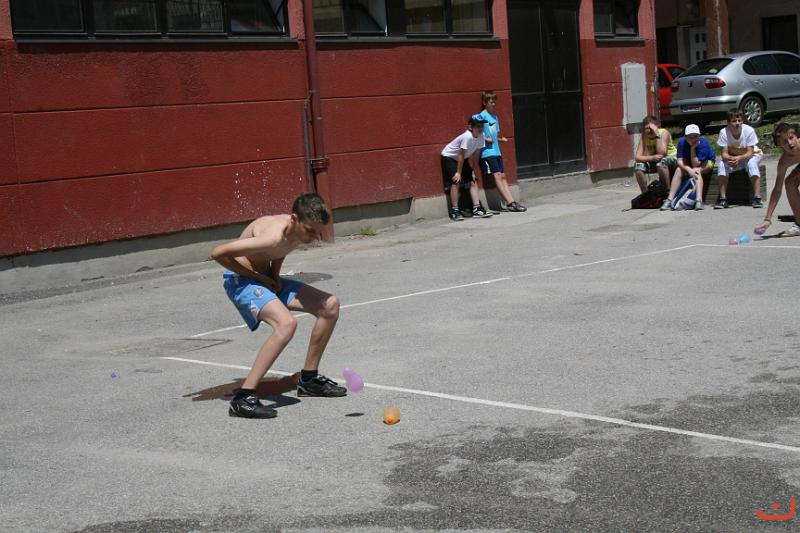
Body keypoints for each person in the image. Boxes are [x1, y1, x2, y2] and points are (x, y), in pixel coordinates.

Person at [210, 192, 346, 419]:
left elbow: (282, 250)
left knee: (330, 305)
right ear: (294, 219)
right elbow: (218, 253)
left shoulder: (297, 232)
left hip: (265, 278)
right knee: (286, 324)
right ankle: (243, 398)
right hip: (240, 280)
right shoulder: (271, 236)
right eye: (309, 231)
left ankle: (309, 380)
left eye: (317, 232)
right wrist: (257, 276)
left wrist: (274, 274)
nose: (312, 237)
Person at [476, 91, 526, 212]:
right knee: (497, 175)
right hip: (487, 152)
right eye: (491, 102)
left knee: (503, 176)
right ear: (485, 103)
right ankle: (510, 203)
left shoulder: (495, 118)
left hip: (497, 151)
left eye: (494, 102)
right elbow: (475, 131)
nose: (493, 104)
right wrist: (484, 138)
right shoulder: (481, 116)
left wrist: (500, 139)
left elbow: (495, 135)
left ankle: (512, 201)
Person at [441, 116, 493, 221]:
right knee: (456, 181)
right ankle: (455, 211)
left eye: (482, 126)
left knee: (473, 180)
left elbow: (476, 154)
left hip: (462, 158)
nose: (480, 128)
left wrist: (472, 170)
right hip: (449, 157)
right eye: (478, 126)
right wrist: (458, 173)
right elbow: (460, 155)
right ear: (470, 127)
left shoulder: (481, 136)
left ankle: (477, 209)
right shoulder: (467, 137)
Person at [755, 122, 800, 237]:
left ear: (797, 136)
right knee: (789, 182)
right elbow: (777, 190)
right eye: (785, 141)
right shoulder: (784, 161)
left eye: (791, 138)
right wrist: (767, 219)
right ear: (780, 145)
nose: (789, 143)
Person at [715, 109, 764, 209]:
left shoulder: (749, 130)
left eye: (739, 120)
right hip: (734, 156)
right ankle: (723, 199)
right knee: (722, 165)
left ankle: (757, 198)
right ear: (728, 123)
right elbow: (724, 154)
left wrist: (738, 158)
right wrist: (732, 159)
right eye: (734, 121)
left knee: (751, 164)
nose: (737, 123)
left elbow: (750, 153)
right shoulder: (724, 132)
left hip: (752, 155)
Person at [660, 124, 715, 211]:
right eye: (690, 137)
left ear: (699, 136)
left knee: (696, 171)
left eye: (695, 136)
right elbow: (679, 161)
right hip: (690, 162)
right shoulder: (681, 142)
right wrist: (688, 169)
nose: (693, 139)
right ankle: (669, 199)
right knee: (678, 170)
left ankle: (699, 200)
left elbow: (696, 164)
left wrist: (693, 148)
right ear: (685, 137)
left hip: (706, 162)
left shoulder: (703, 144)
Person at [633, 115, 678, 193]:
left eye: (651, 128)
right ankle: (645, 193)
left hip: (672, 158)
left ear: (657, 126)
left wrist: (656, 134)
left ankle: (667, 191)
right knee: (638, 166)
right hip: (655, 160)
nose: (650, 130)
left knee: (661, 163)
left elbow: (662, 153)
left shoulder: (664, 133)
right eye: (647, 128)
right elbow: (637, 157)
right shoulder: (644, 135)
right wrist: (652, 158)